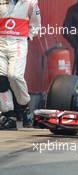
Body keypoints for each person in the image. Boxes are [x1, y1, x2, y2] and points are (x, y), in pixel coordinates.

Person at [0, 0, 41, 130]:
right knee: (0, 78)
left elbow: (36, 23)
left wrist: (29, 36)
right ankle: (9, 115)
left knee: (14, 76)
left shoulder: (30, 2)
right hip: (1, 41)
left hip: (18, 42)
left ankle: (24, 107)